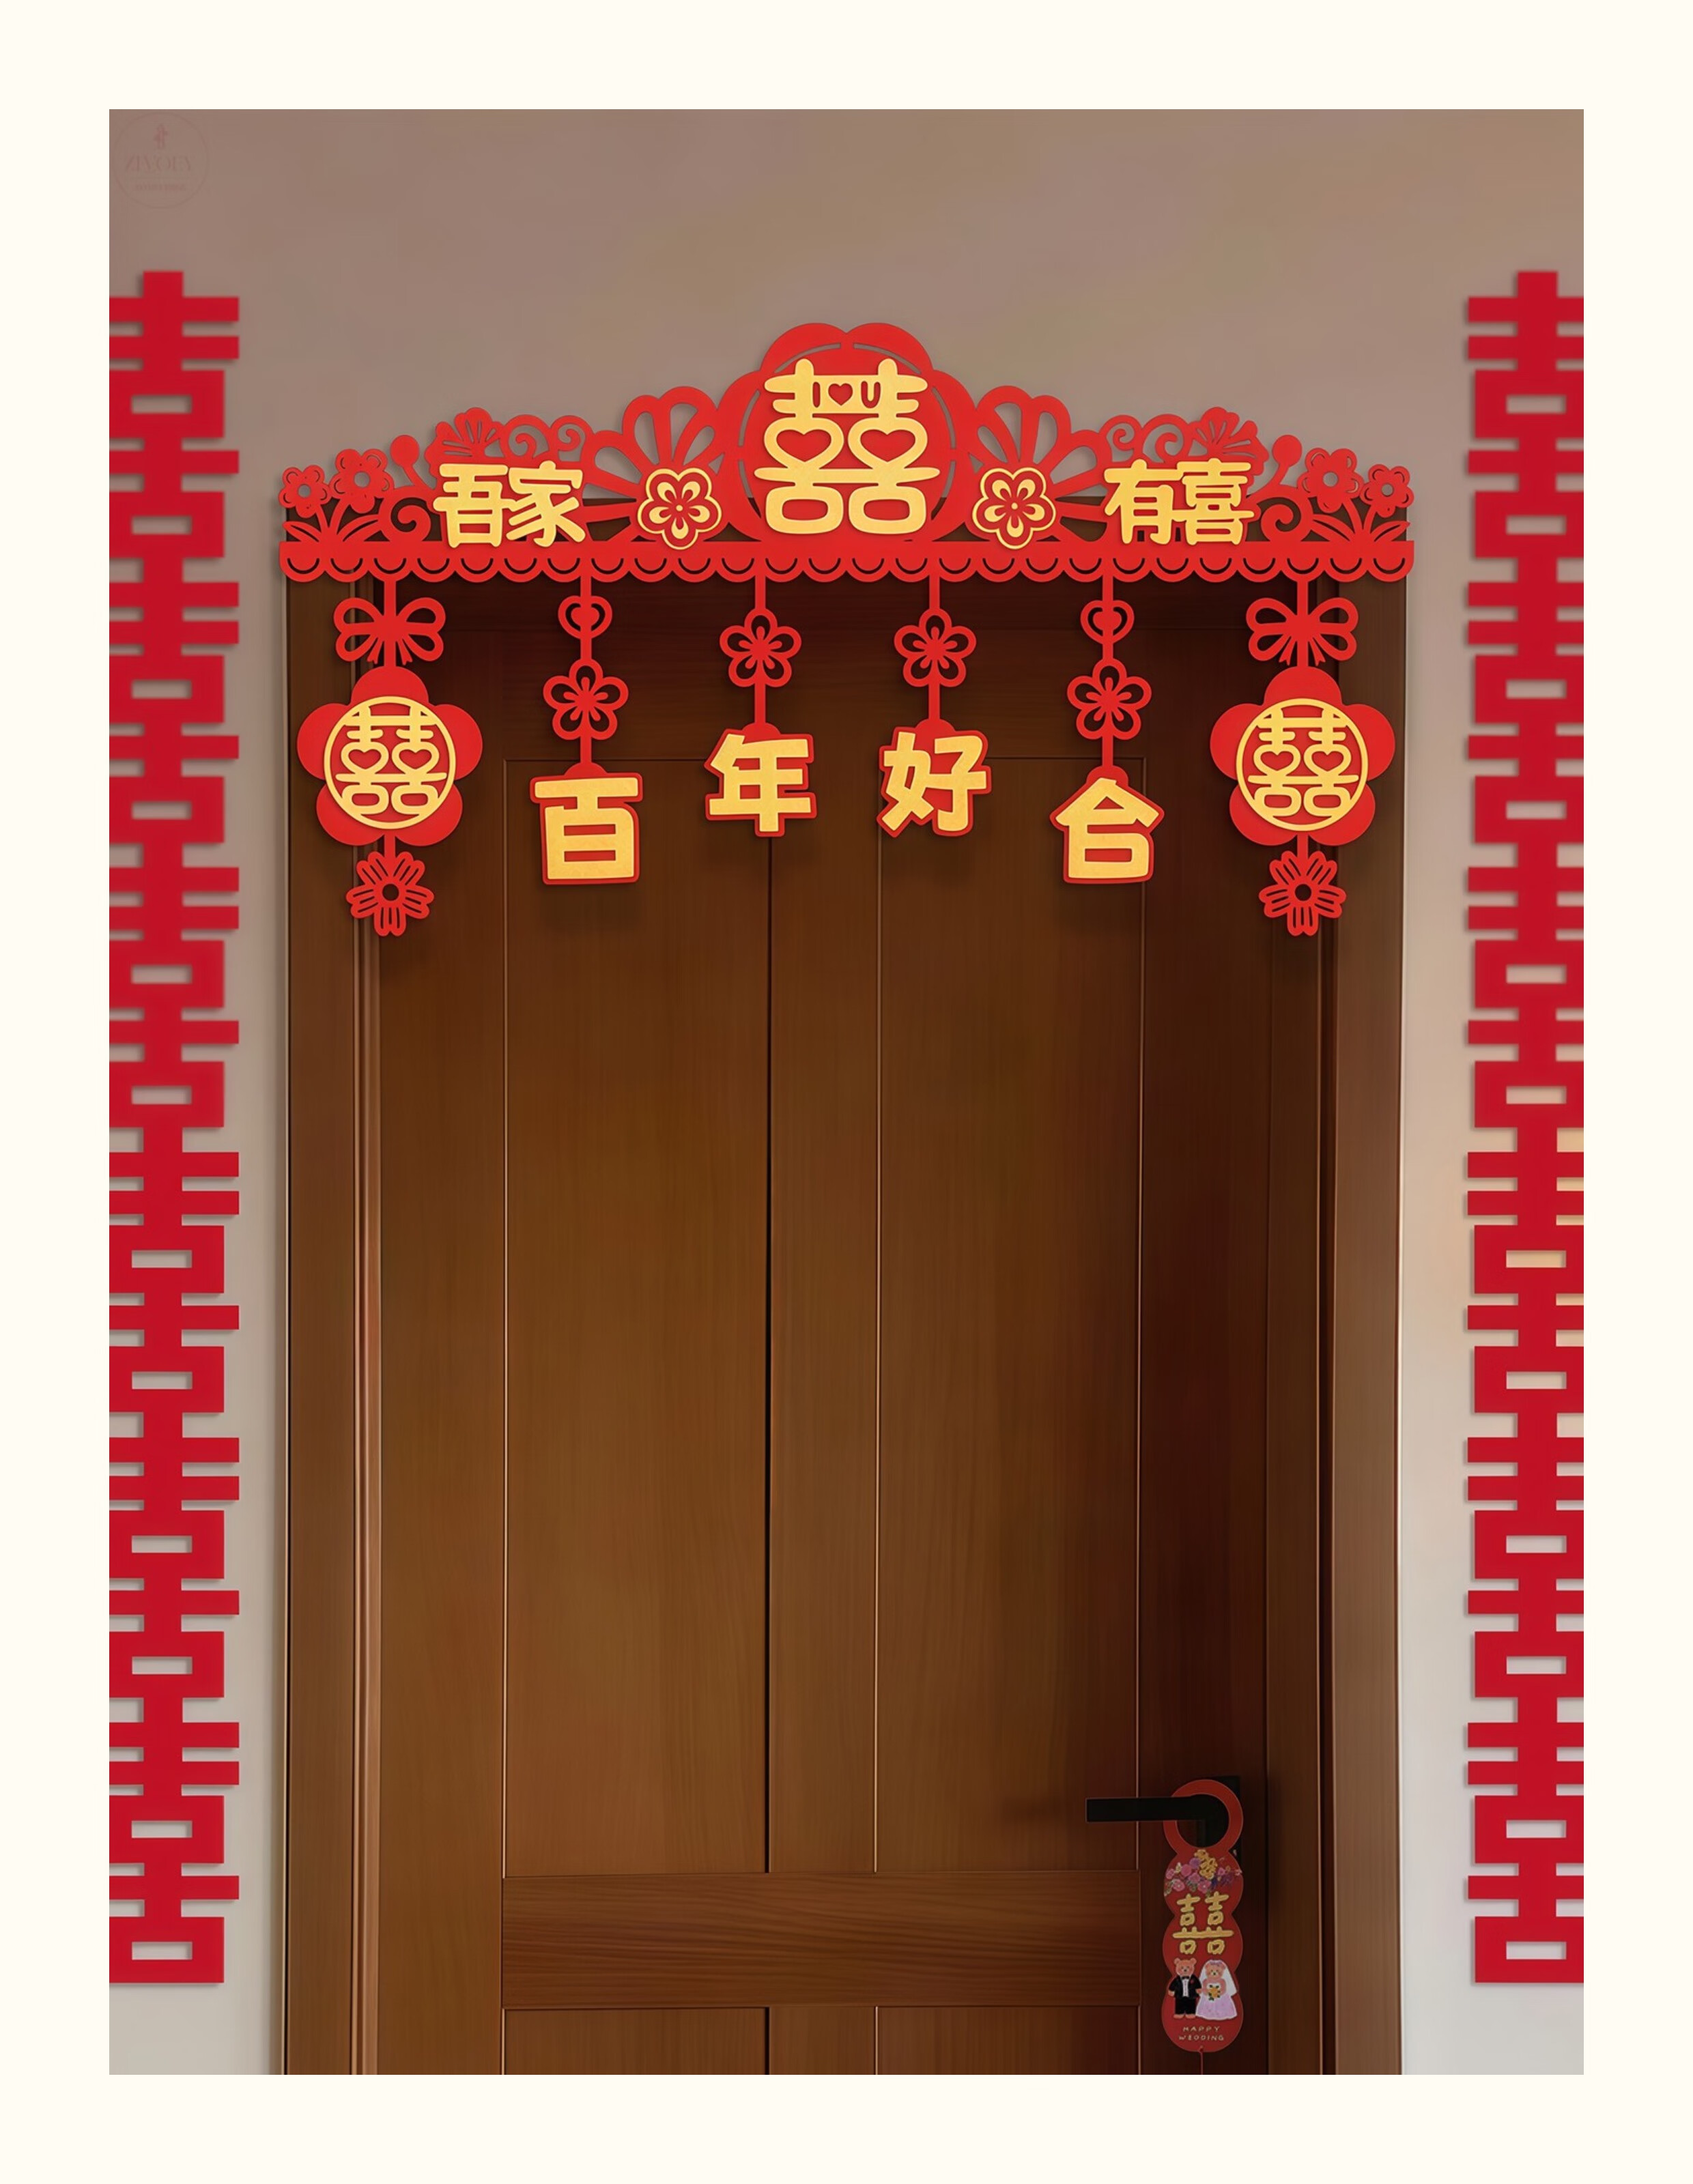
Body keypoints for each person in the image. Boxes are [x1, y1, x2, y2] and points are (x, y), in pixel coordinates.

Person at [1195, 1956, 1238, 2021]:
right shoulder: (1206, 1981)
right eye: (1211, 1971)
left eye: (1217, 1971)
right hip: (1209, 1997)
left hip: (1220, 1997)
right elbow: (1204, 1989)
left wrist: (1218, 1993)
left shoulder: (1222, 1981)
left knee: (1222, 2006)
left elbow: (1223, 1989)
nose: (1214, 1973)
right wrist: (1208, 1993)